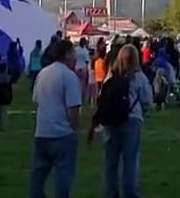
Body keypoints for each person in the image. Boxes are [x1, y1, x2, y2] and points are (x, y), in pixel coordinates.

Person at [92, 44, 152, 198]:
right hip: (132, 120)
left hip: (111, 121)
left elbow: (102, 96)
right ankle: (130, 193)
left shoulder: (111, 76)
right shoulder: (139, 77)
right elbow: (147, 100)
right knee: (130, 161)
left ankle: (110, 192)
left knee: (110, 161)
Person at [31, 39, 84, 198]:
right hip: (62, 134)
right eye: (73, 53)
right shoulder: (69, 76)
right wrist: (76, 130)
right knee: (63, 176)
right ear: (67, 54)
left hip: (42, 131)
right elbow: (72, 110)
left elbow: (37, 100)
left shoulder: (43, 73)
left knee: (38, 176)